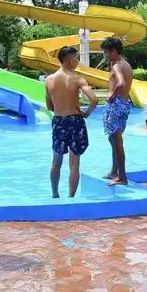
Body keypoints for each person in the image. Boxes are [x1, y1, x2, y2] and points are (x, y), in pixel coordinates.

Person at [45, 46, 98, 199]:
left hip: (59, 121)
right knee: (74, 163)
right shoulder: (78, 79)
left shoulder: (49, 80)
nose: (78, 62)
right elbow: (94, 99)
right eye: (76, 58)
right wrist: (86, 114)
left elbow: (49, 106)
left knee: (56, 161)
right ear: (68, 60)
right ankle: (71, 198)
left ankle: (55, 195)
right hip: (75, 121)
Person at [101, 37, 133, 186]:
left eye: (106, 53)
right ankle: (115, 171)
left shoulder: (117, 66)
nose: (105, 56)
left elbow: (121, 83)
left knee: (116, 141)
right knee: (113, 139)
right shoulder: (126, 64)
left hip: (116, 104)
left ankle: (122, 177)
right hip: (124, 103)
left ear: (114, 52)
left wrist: (111, 94)